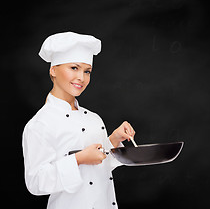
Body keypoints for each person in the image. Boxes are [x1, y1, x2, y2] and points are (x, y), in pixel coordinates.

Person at [22, 32, 135, 209]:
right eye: (74, 68)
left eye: (87, 71)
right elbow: (36, 182)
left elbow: (98, 168)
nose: (81, 78)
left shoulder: (93, 118)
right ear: (53, 70)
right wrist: (78, 159)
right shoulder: (40, 124)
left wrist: (114, 139)